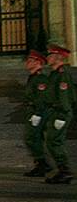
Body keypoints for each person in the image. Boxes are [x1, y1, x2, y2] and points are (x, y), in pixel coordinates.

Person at [43, 44, 76, 184]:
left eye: (50, 55)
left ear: (58, 57)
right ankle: (63, 171)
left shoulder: (62, 76)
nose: (47, 58)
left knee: (54, 142)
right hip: (55, 112)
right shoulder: (54, 74)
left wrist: (62, 116)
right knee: (53, 142)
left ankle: (66, 172)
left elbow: (64, 98)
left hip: (60, 113)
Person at [22, 50, 50, 178]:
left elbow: (41, 98)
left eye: (30, 60)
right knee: (33, 137)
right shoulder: (33, 77)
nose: (27, 63)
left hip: (38, 112)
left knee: (32, 137)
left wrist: (38, 114)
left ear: (38, 63)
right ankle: (41, 164)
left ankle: (42, 164)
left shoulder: (40, 79)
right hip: (32, 111)